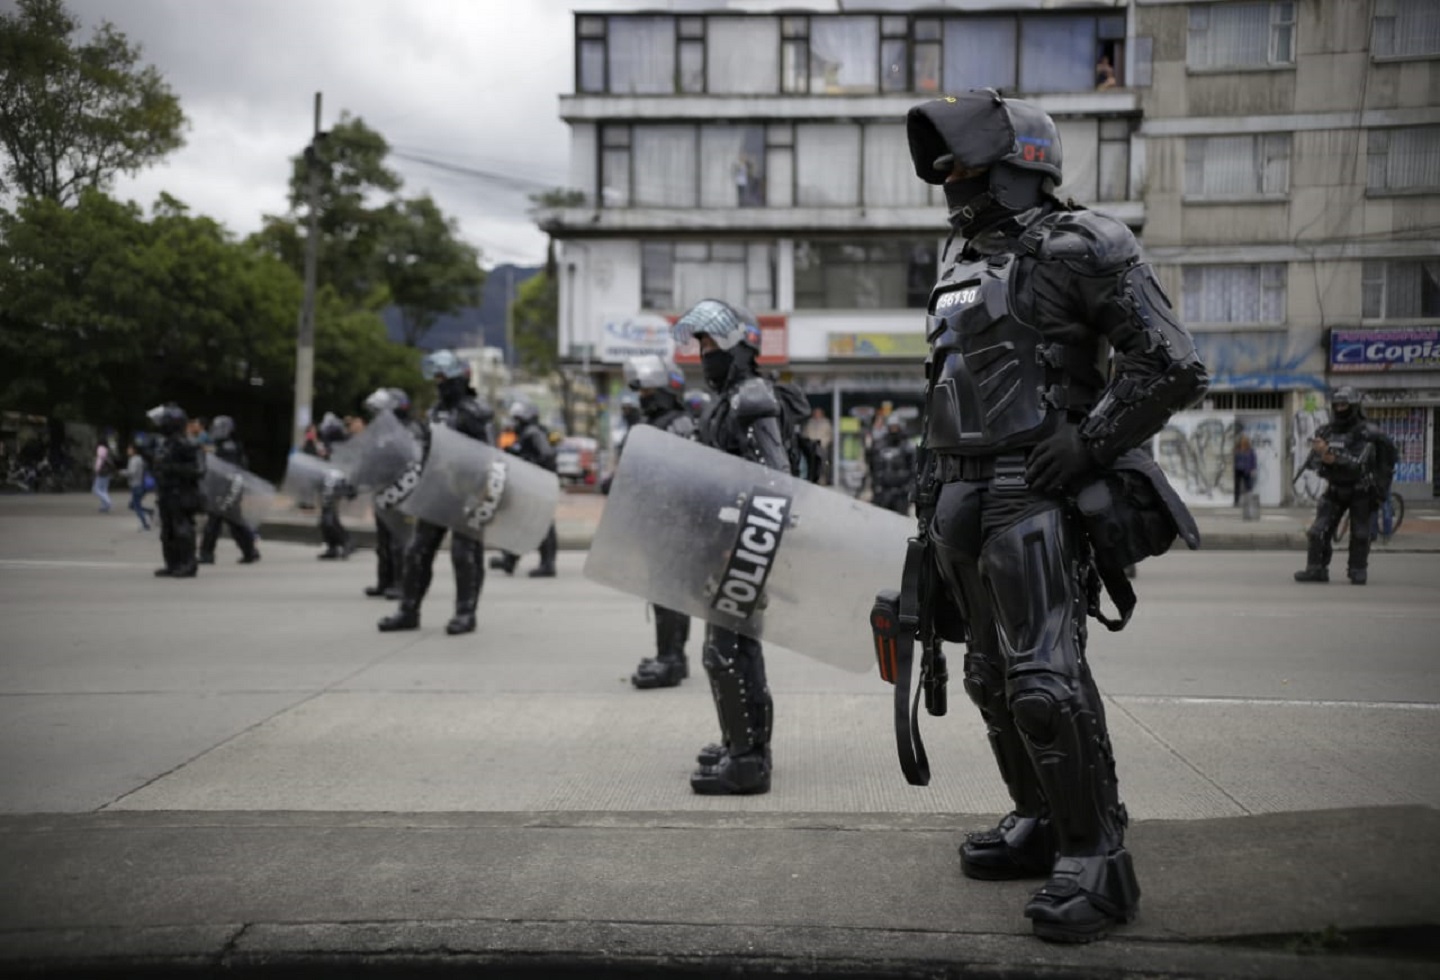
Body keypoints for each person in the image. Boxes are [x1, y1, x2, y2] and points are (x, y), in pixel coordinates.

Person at [904, 90, 1208, 942]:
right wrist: (928, 497)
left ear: (1012, 164)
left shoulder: (1083, 242)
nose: (946, 179)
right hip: (960, 497)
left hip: (1030, 492)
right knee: (988, 680)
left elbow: (1173, 364)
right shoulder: (961, 260)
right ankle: (1038, 821)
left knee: (1044, 680)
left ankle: (1098, 860)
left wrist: (1091, 442)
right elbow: (949, 389)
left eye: (958, 162)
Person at [672, 298, 810, 796]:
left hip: (744, 547)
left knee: (724, 653)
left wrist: (744, 548)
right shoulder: (731, 399)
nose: (702, 353)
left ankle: (749, 760)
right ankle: (742, 745)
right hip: (731, 544)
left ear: (737, 346)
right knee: (736, 650)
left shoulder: (751, 397)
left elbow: (774, 480)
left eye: (709, 343)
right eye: (700, 344)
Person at [379, 350, 494, 635]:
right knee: (417, 551)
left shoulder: (474, 412)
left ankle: (465, 613)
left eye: (444, 378)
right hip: (438, 490)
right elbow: (428, 450)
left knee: (464, 552)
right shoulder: (435, 411)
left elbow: (488, 455)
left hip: (468, 491)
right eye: (437, 378)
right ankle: (408, 610)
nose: (440, 384)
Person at [613, 354, 697, 690]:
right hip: (668, 522)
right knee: (669, 596)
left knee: (668, 595)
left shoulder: (673, 425)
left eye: (648, 393)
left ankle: (671, 659)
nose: (642, 399)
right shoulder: (674, 423)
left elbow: (675, 475)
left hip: (672, 524)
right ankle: (673, 655)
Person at [1294, 386, 1395, 586]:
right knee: (1318, 531)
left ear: (1354, 406)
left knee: (1359, 534)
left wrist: (1380, 490)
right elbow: (1315, 463)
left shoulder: (1367, 432)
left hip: (1361, 490)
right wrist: (1321, 457)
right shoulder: (1326, 430)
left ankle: (1358, 570)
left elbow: (1358, 465)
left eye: (1344, 404)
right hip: (1335, 488)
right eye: (1337, 405)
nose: (1340, 408)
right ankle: (1316, 569)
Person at [489, 401, 559, 578]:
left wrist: (528, 465)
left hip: (537, 484)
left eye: (518, 418)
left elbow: (547, 455)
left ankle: (547, 564)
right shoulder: (528, 433)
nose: (515, 422)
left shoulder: (532, 432)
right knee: (519, 521)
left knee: (541, 523)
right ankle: (510, 559)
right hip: (534, 484)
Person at [363, 388, 417, 600]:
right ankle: (384, 581)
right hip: (383, 491)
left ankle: (403, 583)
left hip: (403, 492)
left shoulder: (410, 430)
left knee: (400, 541)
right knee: (384, 541)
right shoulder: (382, 432)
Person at [144, 403, 207, 578]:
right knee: (168, 532)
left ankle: (188, 564)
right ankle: (172, 563)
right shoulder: (167, 444)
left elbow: (199, 470)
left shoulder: (187, 444)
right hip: (166, 493)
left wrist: (172, 468)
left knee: (182, 530)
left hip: (181, 494)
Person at [197, 416, 261, 565]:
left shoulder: (228, 447)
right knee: (231, 523)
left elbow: (226, 471)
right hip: (226, 490)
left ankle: (208, 554)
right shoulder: (227, 446)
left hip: (227, 490)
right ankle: (249, 551)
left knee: (218, 523)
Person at [312, 412, 355, 560]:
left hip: (337, 480)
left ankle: (346, 541)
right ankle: (333, 546)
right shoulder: (327, 445)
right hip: (328, 480)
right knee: (326, 516)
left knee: (328, 517)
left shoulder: (343, 444)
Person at [867, 417, 917, 514]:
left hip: (901, 493)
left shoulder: (907, 447)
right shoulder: (880, 446)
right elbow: (873, 467)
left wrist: (909, 488)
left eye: (896, 428)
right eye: (892, 427)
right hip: (883, 493)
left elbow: (913, 470)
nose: (894, 430)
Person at [125, 441, 155, 531]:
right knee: (133, 505)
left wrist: (122, 472)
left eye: (129, 449)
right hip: (139, 485)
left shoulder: (134, 460)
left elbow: (132, 472)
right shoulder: (139, 459)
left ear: (134, 450)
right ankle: (150, 512)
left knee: (136, 506)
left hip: (136, 485)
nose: (128, 450)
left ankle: (145, 525)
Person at [803, 407, 834, 484]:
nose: (817, 415)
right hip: (812, 447)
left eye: (818, 413)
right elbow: (805, 434)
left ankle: (823, 479)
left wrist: (824, 442)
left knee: (823, 464)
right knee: (812, 464)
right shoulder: (809, 422)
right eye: (815, 413)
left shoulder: (826, 423)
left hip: (822, 446)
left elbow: (830, 435)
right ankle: (813, 479)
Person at [1232, 432, 1257, 507]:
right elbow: (1234, 459)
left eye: (1244, 441)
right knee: (1237, 486)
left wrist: (1253, 468)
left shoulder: (1250, 451)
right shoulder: (1237, 450)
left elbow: (1253, 460)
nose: (1243, 442)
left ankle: (1248, 502)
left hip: (1246, 470)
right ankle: (1236, 501)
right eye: (1242, 441)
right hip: (1238, 469)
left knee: (1248, 486)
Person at [92, 441, 114, 513]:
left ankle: (108, 502)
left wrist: (96, 470)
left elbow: (98, 462)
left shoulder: (100, 450)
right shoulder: (107, 451)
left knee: (96, 489)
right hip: (107, 474)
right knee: (104, 490)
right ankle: (104, 506)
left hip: (101, 474)